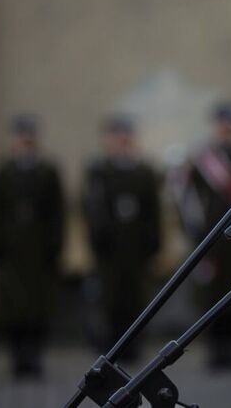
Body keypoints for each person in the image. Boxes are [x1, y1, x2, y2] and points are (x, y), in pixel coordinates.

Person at [182, 101, 231, 371]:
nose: (226, 129)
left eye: (230, 123)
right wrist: (194, 234)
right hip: (213, 240)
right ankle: (216, 351)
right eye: (222, 123)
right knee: (212, 299)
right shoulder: (203, 161)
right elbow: (188, 199)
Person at [0, 114, 65, 378]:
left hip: (38, 252)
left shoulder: (47, 171)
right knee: (12, 309)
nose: (25, 140)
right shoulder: (4, 172)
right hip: (11, 252)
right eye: (21, 135)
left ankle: (34, 357)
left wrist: (54, 246)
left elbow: (57, 212)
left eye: (29, 135)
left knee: (38, 308)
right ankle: (17, 357)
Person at [82, 115, 161, 361]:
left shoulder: (144, 172)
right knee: (110, 302)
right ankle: (111, 348)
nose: (123, 141)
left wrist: (152, 242)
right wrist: (98, 239)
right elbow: (92, 208)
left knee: (135, 300)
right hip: (110, 250)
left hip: (136, 249)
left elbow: (153, 211)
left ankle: (133, 348)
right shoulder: (100, 171)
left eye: (126, 135)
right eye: (118, 136)